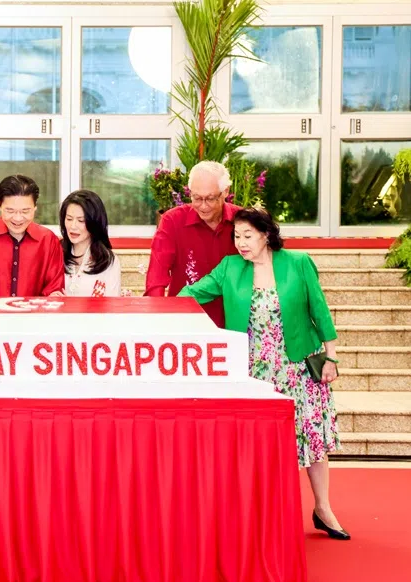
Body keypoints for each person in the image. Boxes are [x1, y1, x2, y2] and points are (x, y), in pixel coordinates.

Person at [179, 207, 349, 541]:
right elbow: (191, 294)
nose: (240, 243)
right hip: (254, 374)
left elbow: (319, 309)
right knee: (257, 447)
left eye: (248, 236)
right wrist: (157, 307)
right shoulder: (230, 268)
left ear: (266, 235)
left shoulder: (297, 263)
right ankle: (262, 515)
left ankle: (323, 508)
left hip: (298, 368)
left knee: (312, 440)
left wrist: (331, 357)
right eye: (236, 236)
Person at [145, 160, 239, 327]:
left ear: (226, 191)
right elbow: (157, 275)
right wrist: (156, 315)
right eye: (196, 198)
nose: (203, 206)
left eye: (210, 198)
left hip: (234, 319)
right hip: (185, 320)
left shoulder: (243, 221)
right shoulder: (173, 220)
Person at [0, 174, 64, 297]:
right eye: (10, 211)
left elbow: (53, 289)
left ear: (35, 207)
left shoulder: (48, 240)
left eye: (25, 211)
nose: (18, 218)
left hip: (37, 309)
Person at [60, 189, 121, 297]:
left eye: (81, 221)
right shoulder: (55, 252)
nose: (73, 226)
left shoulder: (108, 261)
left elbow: (111, 303)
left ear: (94, 222)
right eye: (69, 219)